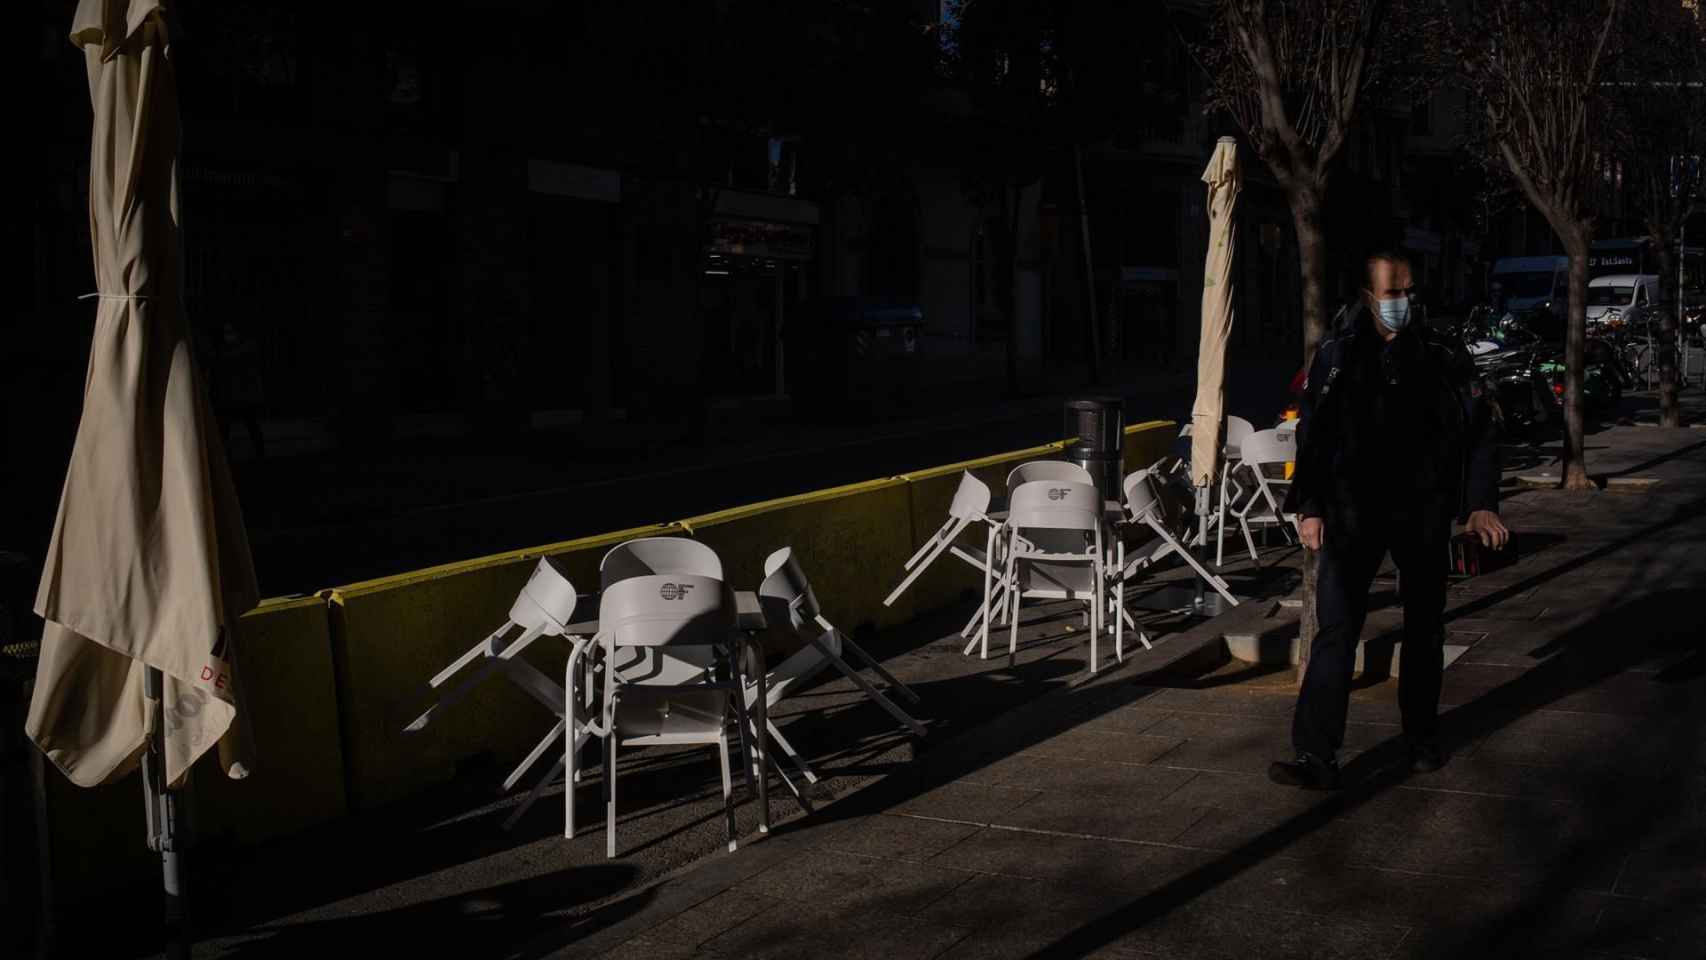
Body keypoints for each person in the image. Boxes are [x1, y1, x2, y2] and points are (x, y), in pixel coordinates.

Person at [1270, 250, 1510, 791]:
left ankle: (1421, 739)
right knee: (1335, 630)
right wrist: (1309, 507)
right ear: (1366, 295)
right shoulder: (1336, 353)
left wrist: (1480, 502)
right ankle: (1315, 754)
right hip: (1351, 514)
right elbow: (1313, 435)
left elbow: (1480, 432)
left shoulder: (1442, 351)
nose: (1403, 302)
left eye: (1408, 290)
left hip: (1421, 512)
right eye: (1392, 292)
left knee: (1424, 629)